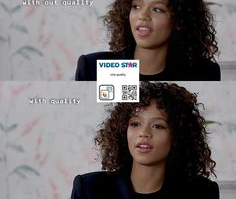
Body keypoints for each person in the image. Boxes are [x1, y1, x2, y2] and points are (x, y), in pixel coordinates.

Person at [71, 82, 219, 199]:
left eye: (158, 126)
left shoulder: (202, 192)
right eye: (135, 124)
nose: (144, 133)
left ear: (177, 136)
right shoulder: (89, 188)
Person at [75, 0, 221, 81]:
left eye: (157, 9)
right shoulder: (92, 67)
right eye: (136, 6)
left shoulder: (205, 72)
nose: (142, 16)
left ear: (179, 21)